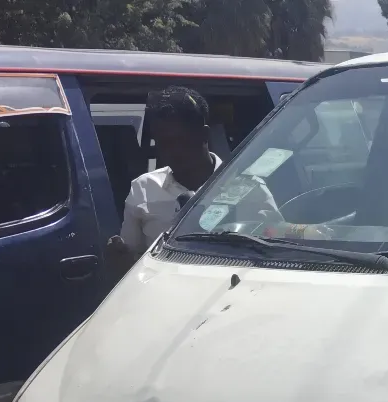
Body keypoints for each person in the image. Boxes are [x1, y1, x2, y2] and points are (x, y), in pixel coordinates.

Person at [107, 86, 275, 274]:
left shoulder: (248, 187)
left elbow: (275, 251)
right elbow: (133, 257)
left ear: (203, 135)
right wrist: (121, 257)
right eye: (164, 143)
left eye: (181, 141)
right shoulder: (143, 188)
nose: (173, 152)